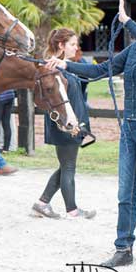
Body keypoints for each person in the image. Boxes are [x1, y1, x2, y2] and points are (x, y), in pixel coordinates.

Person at [45, 0, 136, 271]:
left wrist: (128, 22)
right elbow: (102, 70)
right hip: (130, 127)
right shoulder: (134, 51)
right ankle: (124, 248)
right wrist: (65, 65)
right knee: (124, 193)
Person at [31, 28, 95, 221]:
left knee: (65, 166)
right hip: (66, 123)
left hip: (73, 122)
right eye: (73, 44)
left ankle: (42, 203)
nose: (76, 48)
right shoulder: (51, 68)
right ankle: (72, 210)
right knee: (68, 167)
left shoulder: (64, 66)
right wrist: (72, 123)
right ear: (61, 45)